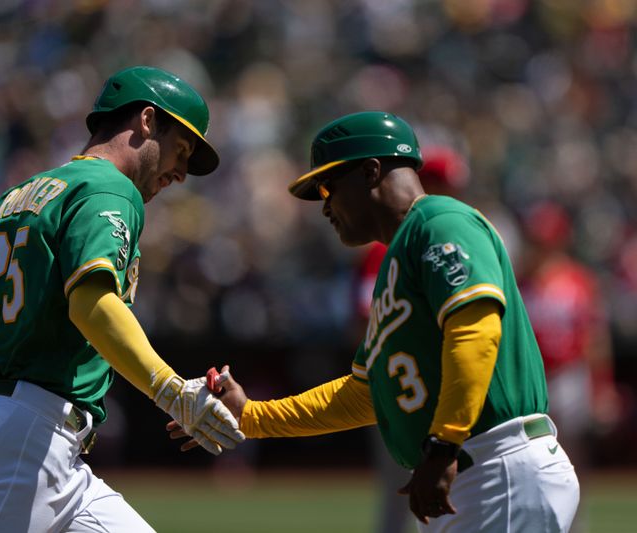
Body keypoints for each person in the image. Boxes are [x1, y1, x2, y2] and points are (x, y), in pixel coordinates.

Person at [172, 111, 580, 532]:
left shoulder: (440, 221)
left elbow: (475, 330)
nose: (325, 206)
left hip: (497, 465)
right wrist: (254, 416)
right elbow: (366, 393)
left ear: (371, 171)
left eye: (328, 187)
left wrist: (443, 444)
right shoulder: (394, 264)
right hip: (469, 470)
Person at [0, 65, 245, 532]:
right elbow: (91, 303)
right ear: (147, 121)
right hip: (24, 440)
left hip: (32, 437)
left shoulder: (20, 194)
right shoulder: (111, 187)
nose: (181, 172)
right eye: (179, 149)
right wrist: (170, 390)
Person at [352, 146, 469, 533]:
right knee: (399, 493)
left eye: (447, 185)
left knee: (455, 497)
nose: (442, 192)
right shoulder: (383, 250)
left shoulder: (452, 234)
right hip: (401, 387)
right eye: (436, 183)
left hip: (445, 387)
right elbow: (365, 321)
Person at [517, 201, 621, 532]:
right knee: (527, 458)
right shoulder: (519, 282)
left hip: (569, 376)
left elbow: (594, 337)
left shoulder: (578, 280)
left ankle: (575, 523)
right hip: (531, 380)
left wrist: (602, 387)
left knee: (572, 455)